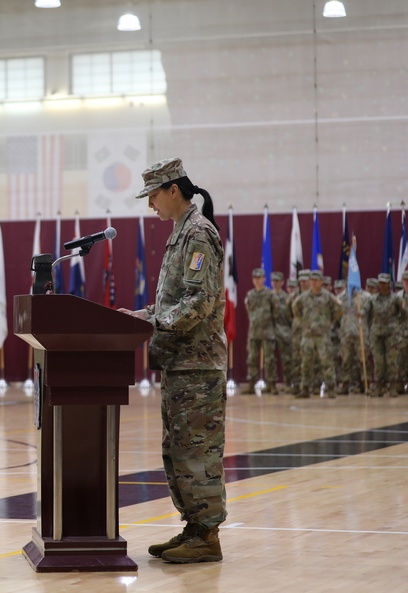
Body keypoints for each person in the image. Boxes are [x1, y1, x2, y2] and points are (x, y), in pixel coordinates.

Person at [118, 157, 226, 564]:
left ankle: (207, 533)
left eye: (153, 195)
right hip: (181, 363)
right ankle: (194, 527)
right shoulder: (181, 234)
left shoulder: (198, 234)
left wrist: (154, 323)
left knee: (197, 451)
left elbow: (198, 302)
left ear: (173, 190)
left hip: (198, 366)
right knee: (179, 450)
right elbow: (173, 301)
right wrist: (142, 316)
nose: (150, 205)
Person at [291, 271, 343, 398]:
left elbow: (339, 309)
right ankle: (305, 389)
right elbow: (295, 308)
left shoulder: (327, 296)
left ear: (321, 282)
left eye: (316, 280)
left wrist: (329, 321)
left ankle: (331, 388)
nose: (313, 282)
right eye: (311, 280)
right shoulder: (304, 296)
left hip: (322, 336)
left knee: (327, 363)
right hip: (308, 335)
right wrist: (304, 321)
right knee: (306, 363)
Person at [361, 273, 406, 397]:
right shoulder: (373, 299)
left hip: (392, 334)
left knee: (391, 360)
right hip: (377, 333)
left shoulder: (396, 298)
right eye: (380, 283)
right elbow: (366, 310)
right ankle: (379, 386)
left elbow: (404, 313)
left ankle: (392, 386)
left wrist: (397, 325)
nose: (382, 285)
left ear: (389, 284)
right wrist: (361, 313)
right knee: (379, 361)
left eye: (385, 283)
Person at [243, 268, 276, 394]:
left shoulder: (270, 294)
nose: (257, 280)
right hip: (254, 332)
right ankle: (251, 385)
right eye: (255, 278)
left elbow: (276, 312)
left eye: (260, 278)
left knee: (270, 359)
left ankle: (272, 385)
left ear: (264, 279)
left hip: (268, 331)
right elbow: (249, 311)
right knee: (252, 358)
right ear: (253, 280)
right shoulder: (250, 295)